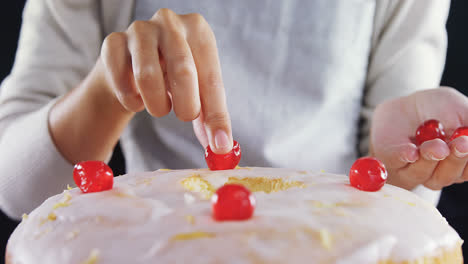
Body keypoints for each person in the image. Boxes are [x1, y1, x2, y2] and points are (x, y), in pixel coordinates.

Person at [0, 0, 462, 220]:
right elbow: (16, 189)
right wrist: (108, 88)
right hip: (149, 243)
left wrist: (401, 163)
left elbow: (401, 208)